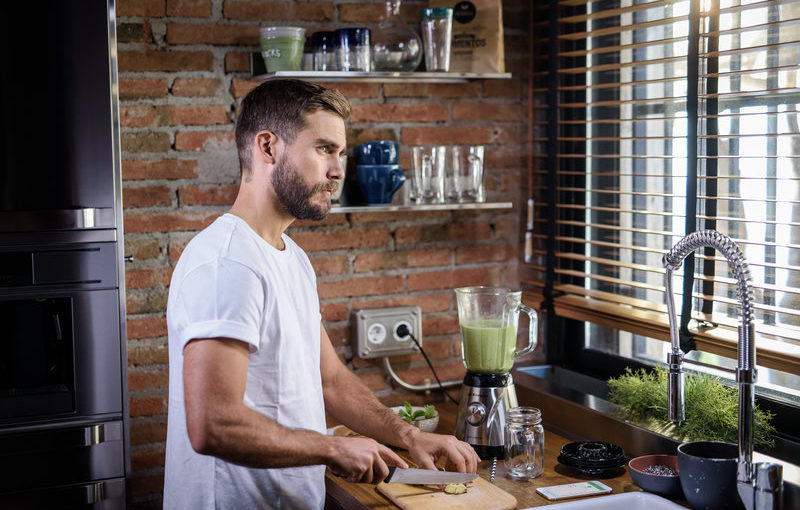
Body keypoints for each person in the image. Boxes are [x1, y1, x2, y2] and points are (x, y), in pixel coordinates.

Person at [163, 79, 479, 509]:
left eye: (340, 153)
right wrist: (333, 447)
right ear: (268, 147)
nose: (337, 171)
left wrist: (409, 435)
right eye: (323, 149)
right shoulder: (227, 264)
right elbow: (212, 425)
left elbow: (330, 382)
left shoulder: (291, 258)